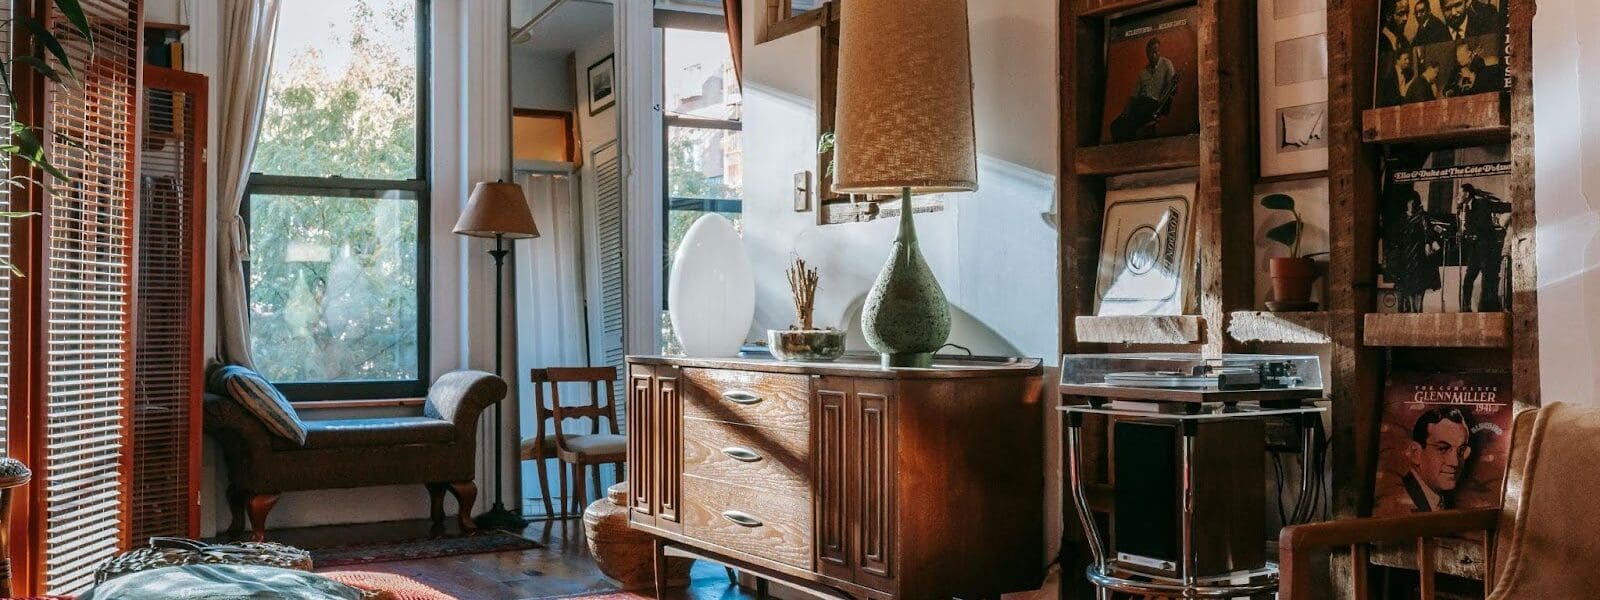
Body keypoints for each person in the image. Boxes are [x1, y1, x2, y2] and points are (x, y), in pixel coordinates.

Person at [1401, 407, 1475, 512]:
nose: (1455, 462)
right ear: (1416, 453)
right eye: (1443, 449)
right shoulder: (1400, 501)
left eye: (1461, 450)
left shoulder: (1440, 498)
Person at [1109, 37, 1177, 142]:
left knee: (1133, 119)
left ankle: (1129, 139)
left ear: (1159, 51)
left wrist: (1163, 102)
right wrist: (1125, 111)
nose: (1153, 55)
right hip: (1141, 104)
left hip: (1157, 104)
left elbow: (1171, 87)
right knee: (1115, 125)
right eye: (1150, 53)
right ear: (1147, 54)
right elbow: (1134, 95)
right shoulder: (1143, 73)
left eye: (1156, 52)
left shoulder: (1166, 64)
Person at [1458, 183, 1511, 312]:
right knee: (1469, 278)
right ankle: (1465, 307)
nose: (1457, 196)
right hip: (1475, 250)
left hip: (1486, 248)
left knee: (1487, 279)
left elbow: (1500, 207)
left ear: (1467, 194)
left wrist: (1515, 205)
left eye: (1460, 193)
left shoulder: (1482, 203)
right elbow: (1469, 227)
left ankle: (1487, 308)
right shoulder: (1465, 208)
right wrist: (1466, 235)